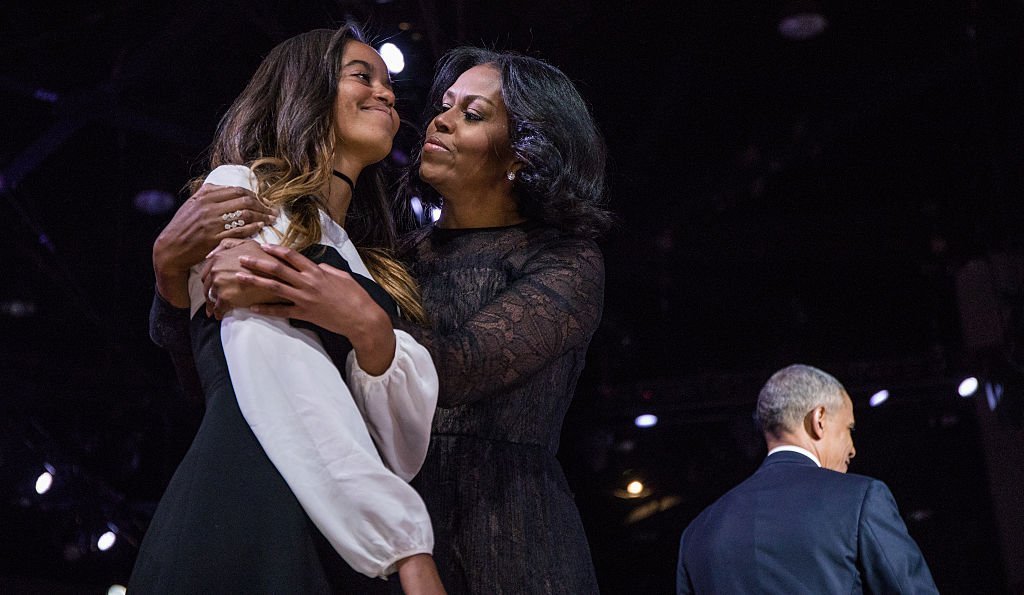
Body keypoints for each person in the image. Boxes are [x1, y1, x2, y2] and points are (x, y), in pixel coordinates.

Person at [153, 46, 612, 593]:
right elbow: (234, 378)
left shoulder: (564, 260)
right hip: (361, 524)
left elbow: (463, 370)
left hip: (504, 527)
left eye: (473, 114)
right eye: (445, 104)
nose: (437, 118)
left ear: (524, 153)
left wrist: (362, 319)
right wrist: (169, 273)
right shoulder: (387, 261)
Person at [131, 24, 445, 594]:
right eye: (361, 76)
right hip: (250, 503)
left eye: (390, 83)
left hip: (338, 525)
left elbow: (400, 442)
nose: (388, 94)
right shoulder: (241, 194)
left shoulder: (373, 265)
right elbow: (285, 375)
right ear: (307, 89)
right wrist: (404, 544)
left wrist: (370, 325)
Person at [676, 364, 939, 595]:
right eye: (849, 429)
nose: (853, 449)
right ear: (819, 419)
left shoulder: (698, 532)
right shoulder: (861, 499)